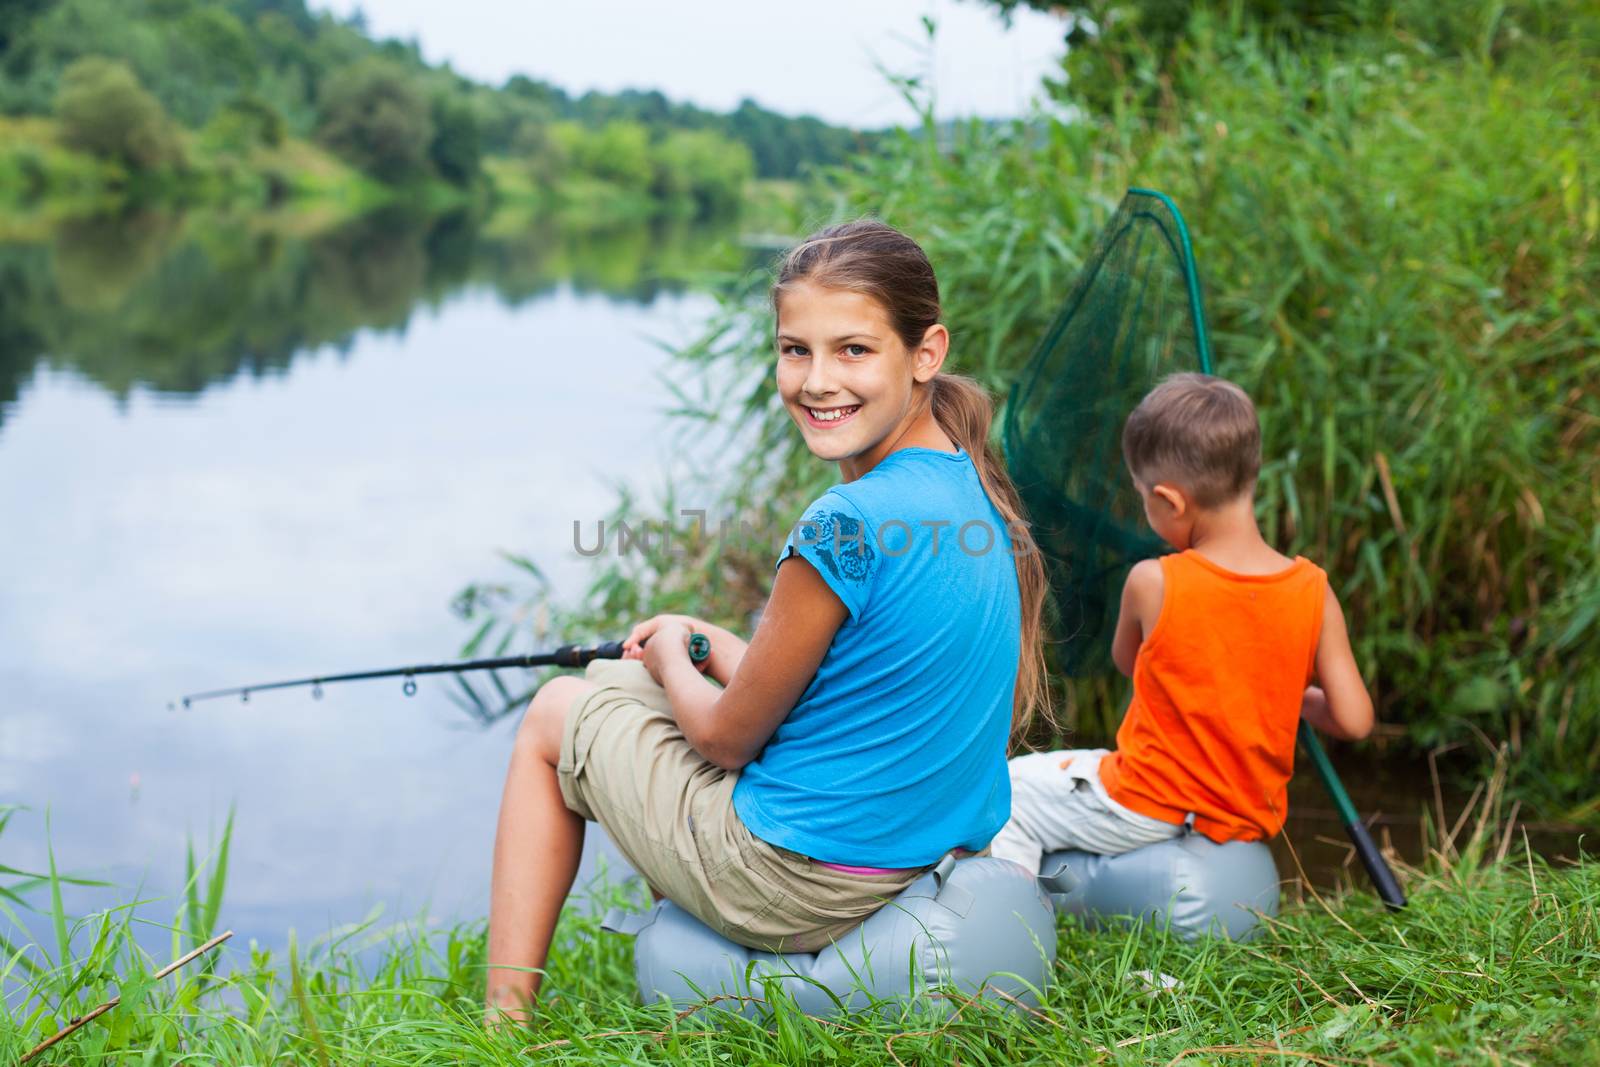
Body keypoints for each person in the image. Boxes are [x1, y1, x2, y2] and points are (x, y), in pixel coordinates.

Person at [485, 219, 1054, 1022]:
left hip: (798, 879)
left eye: (853, 350)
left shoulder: (843, 521)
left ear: (926, 354)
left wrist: (674, 662)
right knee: (619, 680)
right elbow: (865, 680)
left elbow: (724, 741)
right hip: (918, 850)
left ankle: (502, 1022)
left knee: (553, 715)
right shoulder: (971, 490)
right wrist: (719, 648)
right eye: (796, 350)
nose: (818, 380)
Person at [990, 372, 1375, 874]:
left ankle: (1017, 916)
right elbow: (1354, 719)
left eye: (1143, 496)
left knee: (1008, 790)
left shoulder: (1153, 582)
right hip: (1243, 815)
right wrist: (1292, 696)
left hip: (1147, 802)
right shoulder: (1313, 588)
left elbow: (1128, 662)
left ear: (1170, 501)